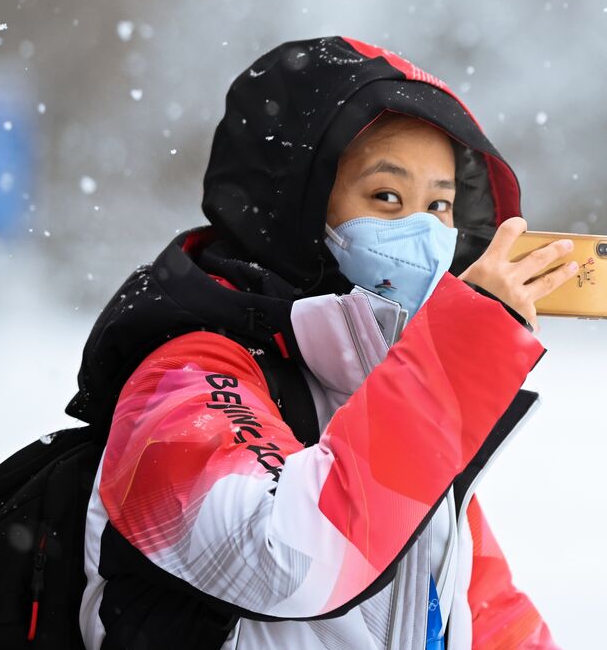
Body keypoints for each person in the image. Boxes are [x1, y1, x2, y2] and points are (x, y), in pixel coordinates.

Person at [66, 35, 573, 649]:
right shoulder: (186, 373)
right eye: (387, 196)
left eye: (440, 204)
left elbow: (486, 616)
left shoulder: (389, 390)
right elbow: (285, 561)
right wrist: (456, 354)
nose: (422, 232)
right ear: (294, 210)